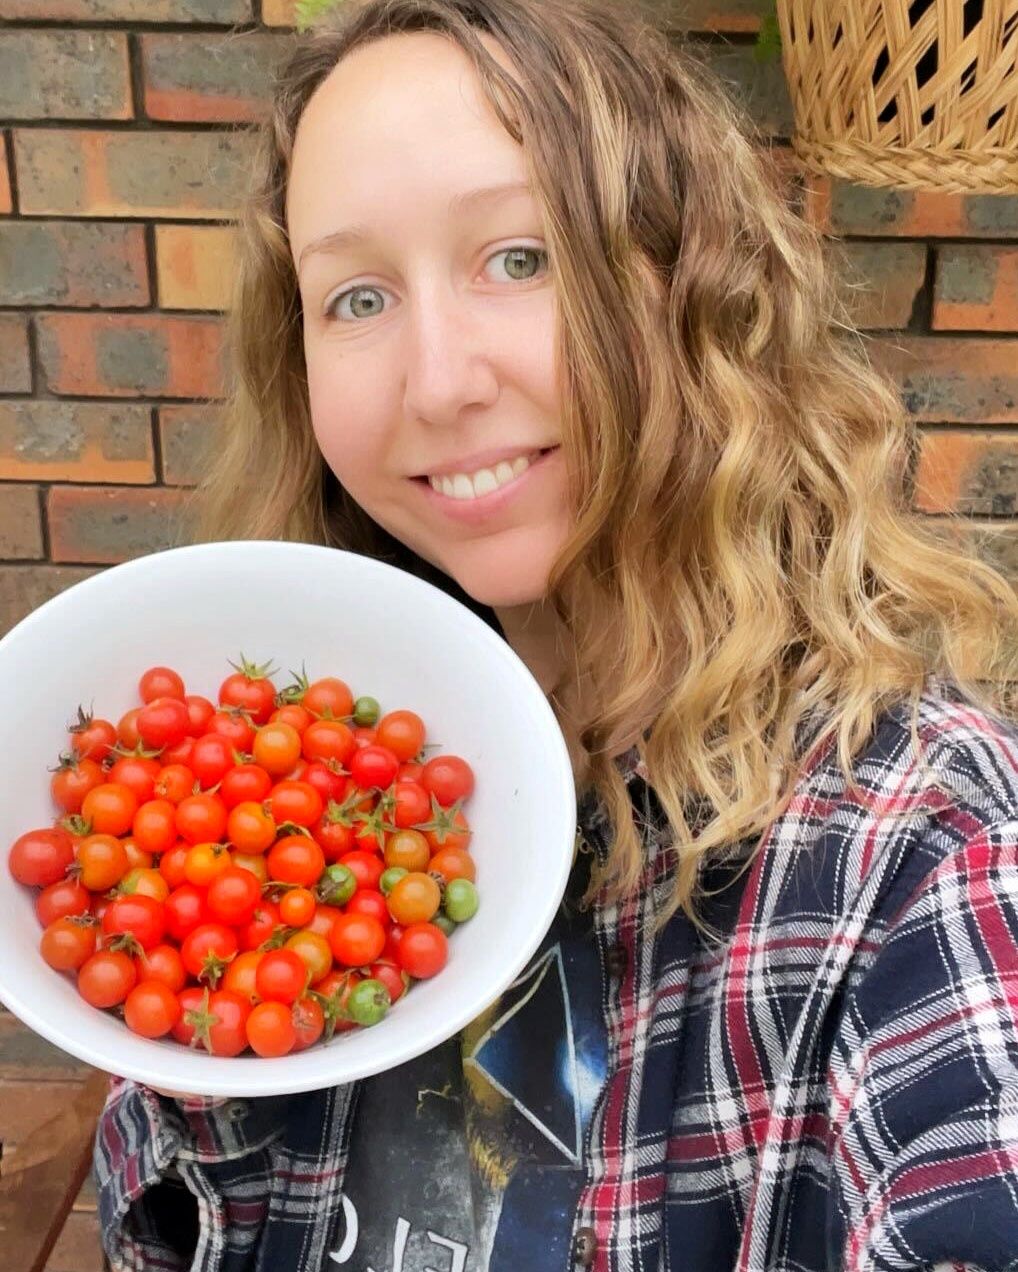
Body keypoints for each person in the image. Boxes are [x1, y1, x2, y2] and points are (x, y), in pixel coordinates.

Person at [92, 0, 1018, 1268]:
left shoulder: (919, 841)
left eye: (518, 259)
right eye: (355, 295)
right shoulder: (298, 768)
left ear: (690, 287)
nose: (437, 381)